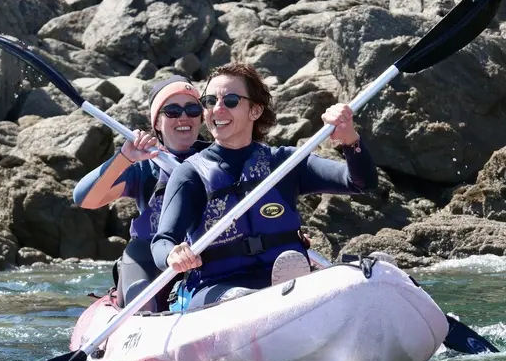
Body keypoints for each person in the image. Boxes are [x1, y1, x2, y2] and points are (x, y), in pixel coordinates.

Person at [151, 62, 377, 310]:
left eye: (231, 100)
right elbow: (162, 241)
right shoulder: (190, 173)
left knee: (364, 274)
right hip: (216, 287)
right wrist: (174, 254)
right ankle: (278, 300)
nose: (217, 109)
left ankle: (291, 293)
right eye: (209, 101)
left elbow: (359, 182)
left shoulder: (283, 162)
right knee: (240, 298)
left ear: (255, 111)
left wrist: (349, 139)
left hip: (282, 276)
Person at [73, 75, 209, 311]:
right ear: (157, 123)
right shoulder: (144, 166)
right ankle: (141, 314)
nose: (184, 117)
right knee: (137, 249)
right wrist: (125, 158)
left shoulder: (216, 159)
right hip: (151, 260)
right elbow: (85, 199)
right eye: (172, 110)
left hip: (202, 254)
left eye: (192, 109)